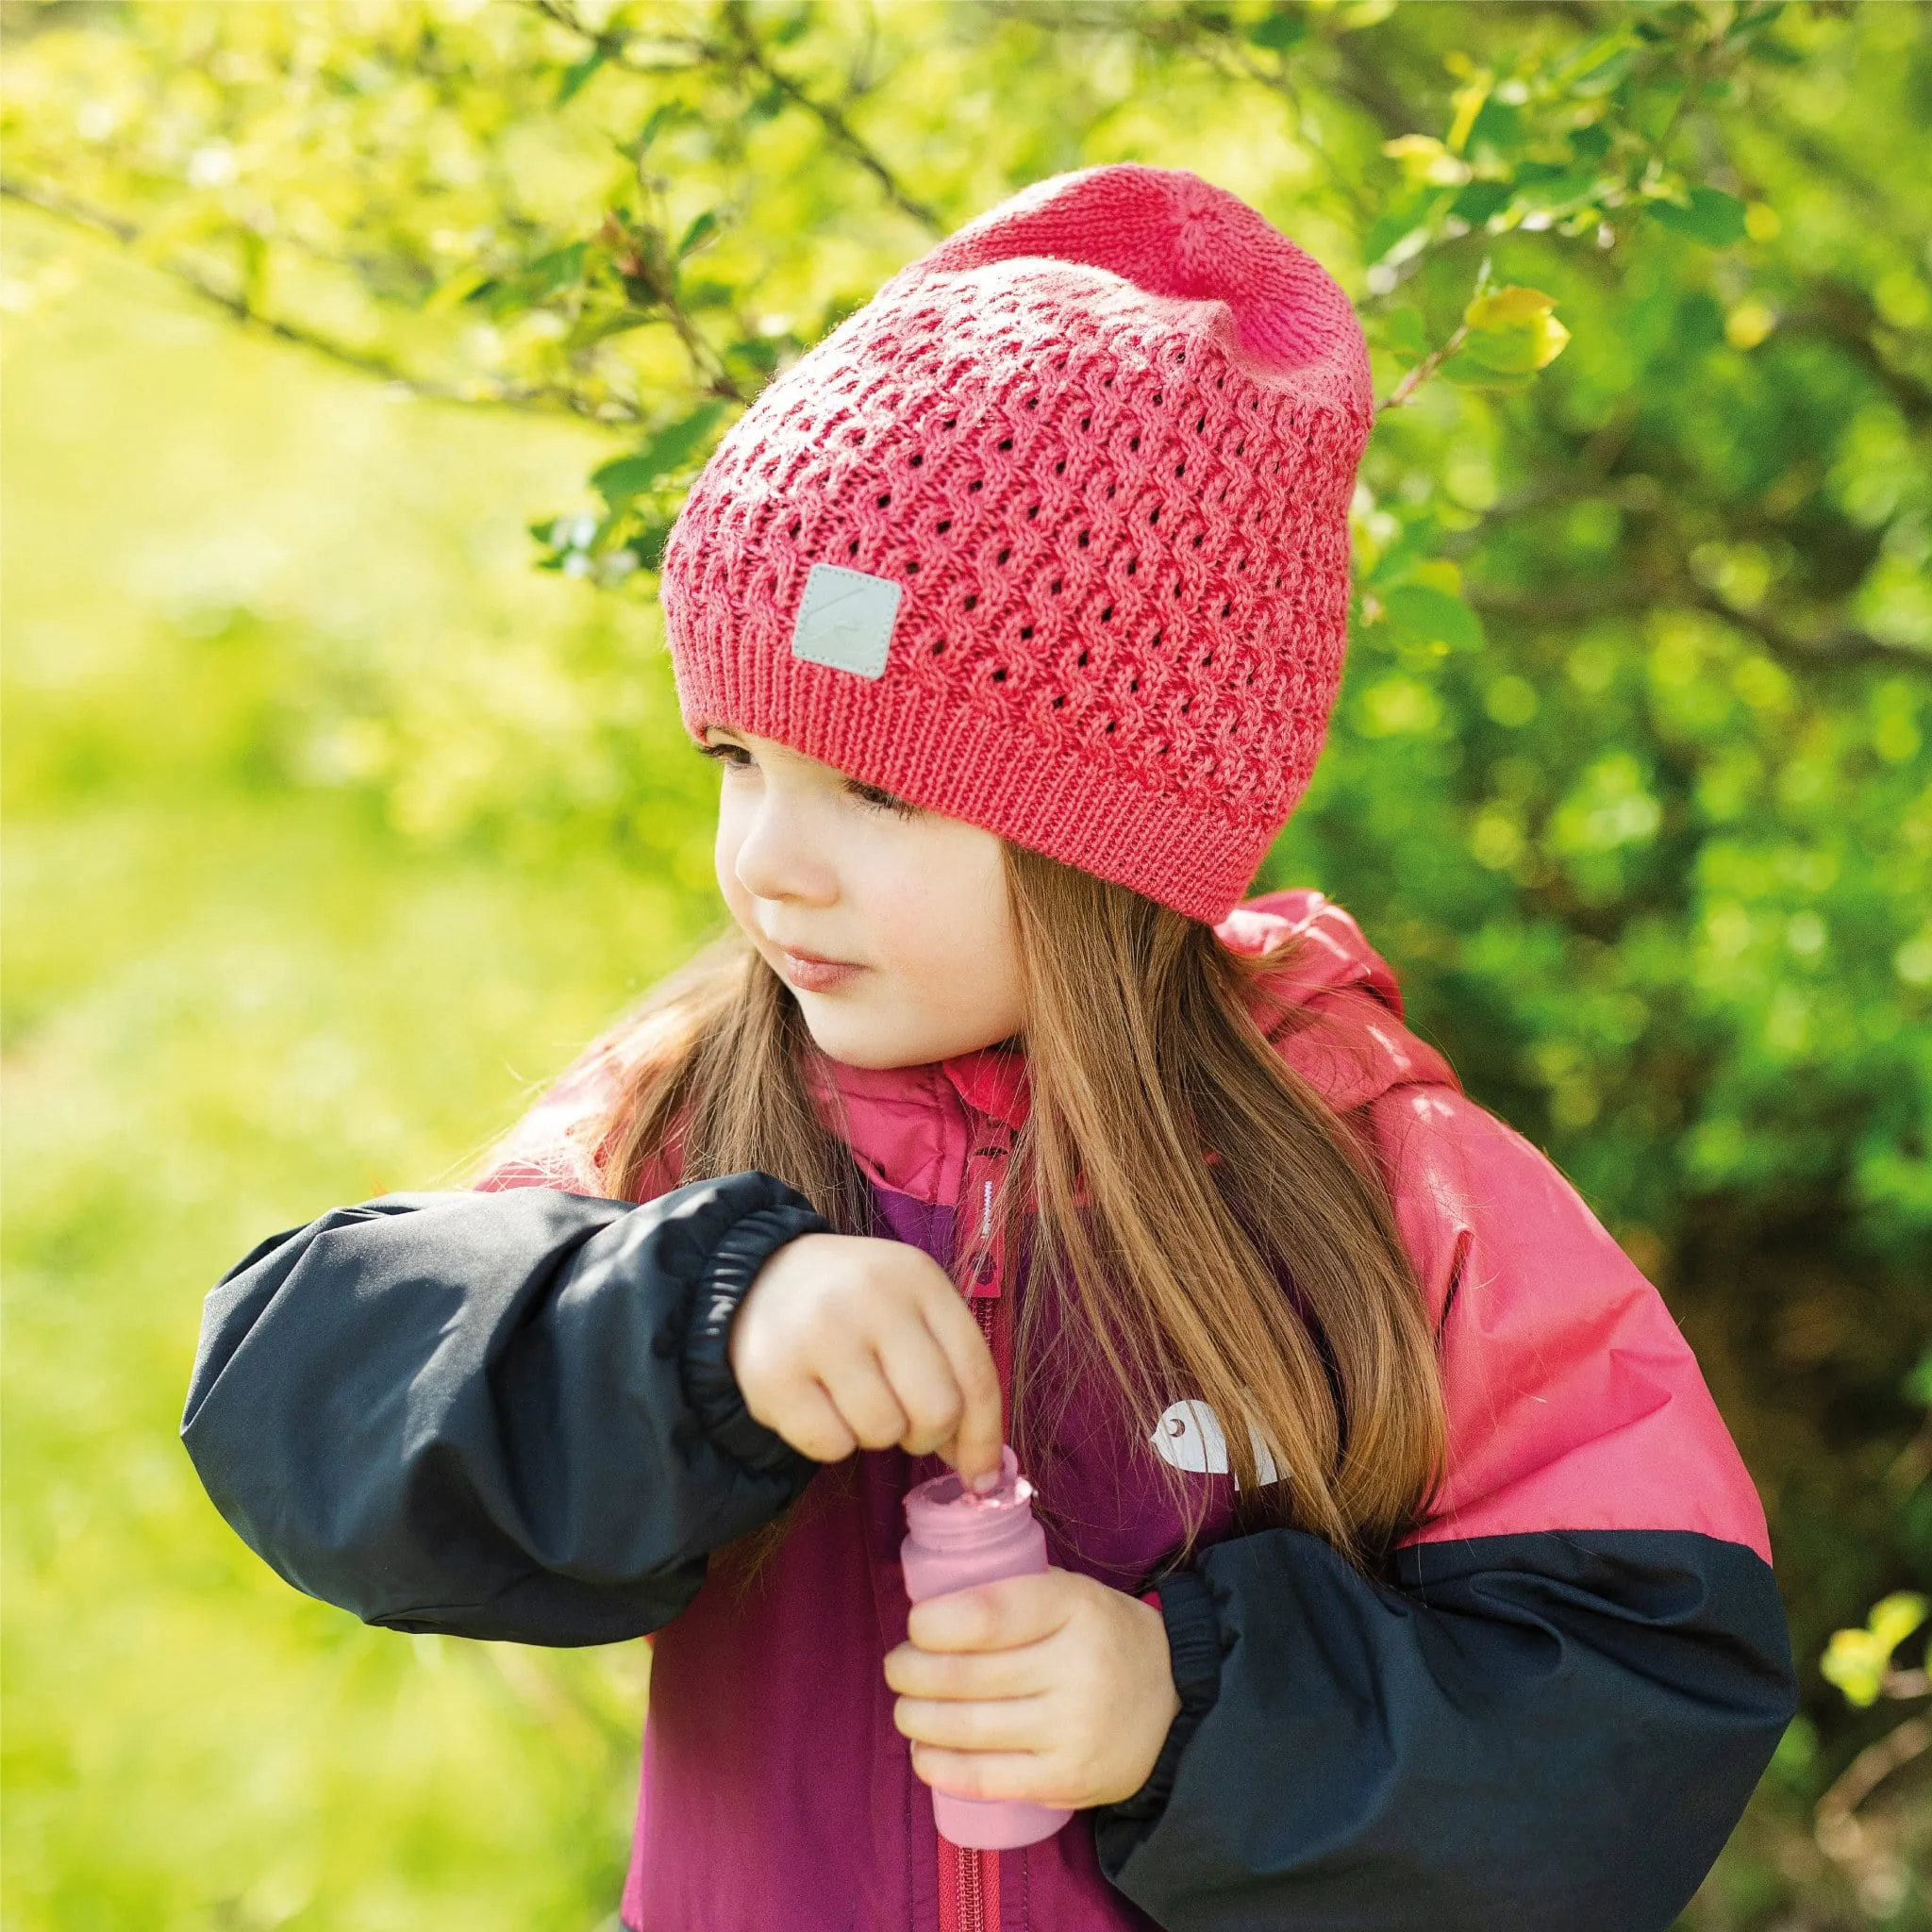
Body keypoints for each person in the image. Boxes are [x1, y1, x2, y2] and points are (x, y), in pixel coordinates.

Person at [181, 164, 1796, 1932]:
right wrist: (696, 1325)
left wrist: (1191, 1710)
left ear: (1114, 836)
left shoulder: (1385, 1187)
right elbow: (315, 1406)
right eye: (738, 757)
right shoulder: (695, 1112)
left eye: (875, 787)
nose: (767, 862)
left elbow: (1642, 1690)